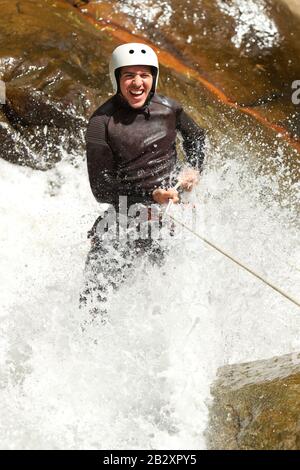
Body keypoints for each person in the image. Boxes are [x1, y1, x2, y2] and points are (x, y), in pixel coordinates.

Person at [80, 43, 206, 324]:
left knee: (162, 294)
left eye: (144, 75)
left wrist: (193, 168)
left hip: (170, 214)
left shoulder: (170, 109)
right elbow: (100, 188)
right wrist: (149, 194)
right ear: (116, 79)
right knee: (94, 297)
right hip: (123, 214)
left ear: (154, 78)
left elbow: (197, 139)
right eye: (129, 76)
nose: (137, 83)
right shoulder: (101, 123)